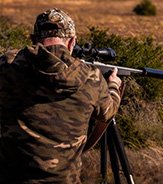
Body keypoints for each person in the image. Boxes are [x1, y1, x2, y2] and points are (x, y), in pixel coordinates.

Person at [0, 8, 122, 183]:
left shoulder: (7, 66)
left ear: (34, 39)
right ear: (72, 42)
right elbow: (109, 112)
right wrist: (113, 87)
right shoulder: (91, 78)